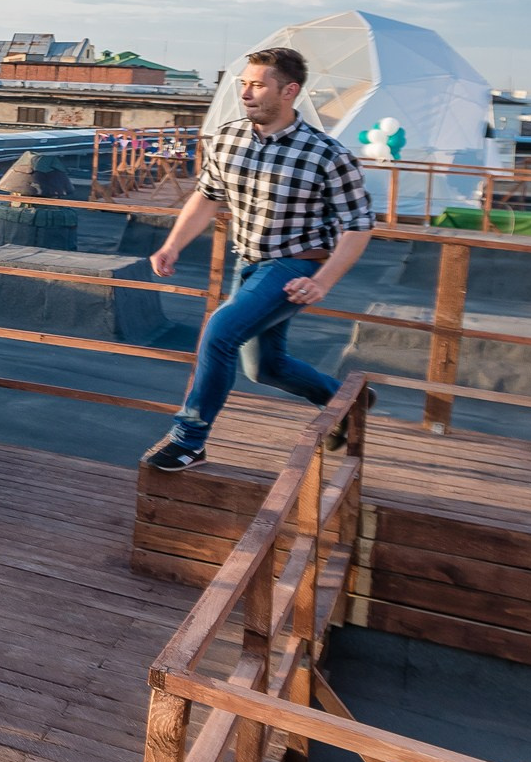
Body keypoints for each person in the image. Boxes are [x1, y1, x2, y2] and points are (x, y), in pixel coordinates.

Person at [142, 47, 376, 471]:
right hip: (248, 264)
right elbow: (207, 196)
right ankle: (346, 399)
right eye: (243, 84)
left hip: (296, 265)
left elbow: (359, 224)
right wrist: (173, 244)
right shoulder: (227, 138)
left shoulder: (328, 155)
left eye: (258, 85)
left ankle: (190, 439)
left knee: (220, 331)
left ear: (289, 91)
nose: (246, 93)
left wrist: (323, 280)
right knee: (265, 368)